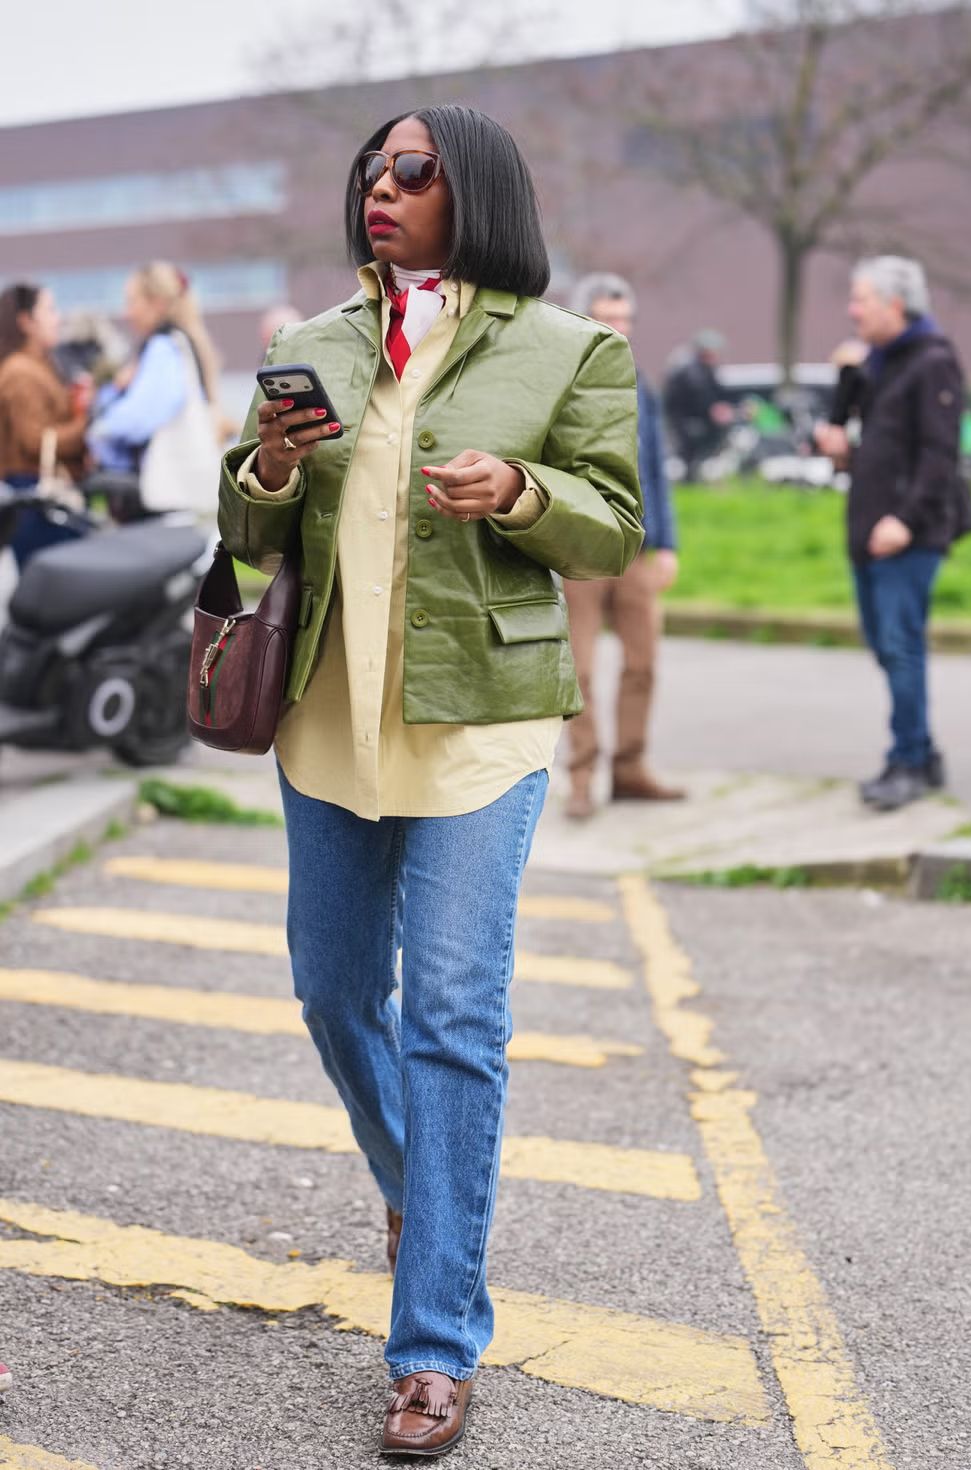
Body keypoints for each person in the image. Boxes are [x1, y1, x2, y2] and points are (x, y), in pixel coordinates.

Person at [217, 104, 642, 1458]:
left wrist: (520, 489)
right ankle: (421, 1187)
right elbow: (245, 526)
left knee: (457, 1013)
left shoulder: (572, 350)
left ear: (480, 194)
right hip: (328, 726)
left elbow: (614, 523)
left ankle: (435, 1340)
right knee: (335, 990)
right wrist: (271, 462)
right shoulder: (314, 348)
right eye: (373, 171)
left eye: (414, 171)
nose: (382, 190)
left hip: (484, 732)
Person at [814, 256, 971, 812]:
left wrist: (904, 521)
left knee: (901, 647)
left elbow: (940, 455)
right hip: (871, 528)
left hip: (910, 532)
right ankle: (921, 753)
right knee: (888, 646)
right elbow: (881, 452)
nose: (851, 311)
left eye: (861, 300)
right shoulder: (881, 363)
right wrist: (844, 453)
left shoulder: (932, 363)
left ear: (895, 305)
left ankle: (909, 761)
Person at [563, 272, 684, 819]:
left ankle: (631, 770)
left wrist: (669, 544)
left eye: (626, 321)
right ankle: (583, 778)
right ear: (585, 320)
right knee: (581, 669)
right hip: (583, 551)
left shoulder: (642, 385)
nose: (620, 330)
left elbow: (656, 466)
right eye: (609, 319)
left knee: (643, 663)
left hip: (638, 548)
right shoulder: (563, 379)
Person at [87, 262, 224, 514]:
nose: (127, 313)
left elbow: (141, 416)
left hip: (161, 495)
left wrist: (97, 428)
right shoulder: (183, 342)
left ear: (158, 303)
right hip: (181, 492)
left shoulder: (163, 347)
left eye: (132, 302)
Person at [0, 283, 91, 568]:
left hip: (42, 494)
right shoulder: (20, 371)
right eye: (49, 309)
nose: (57, 318)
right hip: (34, 497)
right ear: (26, 321)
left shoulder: (38, 365)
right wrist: (85, 423)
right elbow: (37, 441)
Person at [663, 327, 734, 479]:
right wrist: (714, 409)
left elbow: (718, 392)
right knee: (690, 456)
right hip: (686, 420)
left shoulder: (706, 369)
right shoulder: (691, 370)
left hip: (691, 419)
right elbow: (699, 395)